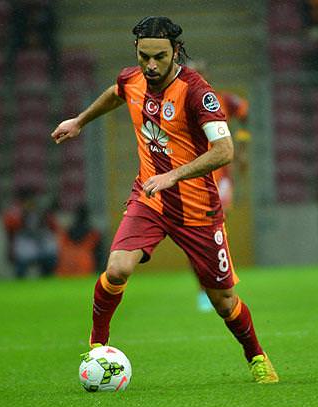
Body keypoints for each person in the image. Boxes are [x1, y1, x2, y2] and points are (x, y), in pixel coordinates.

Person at [51, 16, 278, 384]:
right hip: (150, 199)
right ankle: (97, 347)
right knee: (117, 269)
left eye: (159, 57)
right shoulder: (132, 79)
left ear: (176, 51)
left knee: (223, 301)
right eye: (144, 57)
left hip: (198, 208)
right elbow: (116, 92)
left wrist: (174, 175)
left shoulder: (197, 92)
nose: (151, 65)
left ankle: (256, 356)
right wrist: (80, 120)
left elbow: (224, 151)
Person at [186, 59, 252, 311]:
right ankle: (203, 289)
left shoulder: (220, 100)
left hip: (219, 178)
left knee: (217, 234)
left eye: (201, 73)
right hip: (191, 179)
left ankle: (220, 287)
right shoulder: (175, 105)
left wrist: (242, 149)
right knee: (194, 239)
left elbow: (244, 112)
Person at [55, 204, 102, 276]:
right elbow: (100, 256)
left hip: (65, 269)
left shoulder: (65, 233)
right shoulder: (93, 235)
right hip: (86, 269)